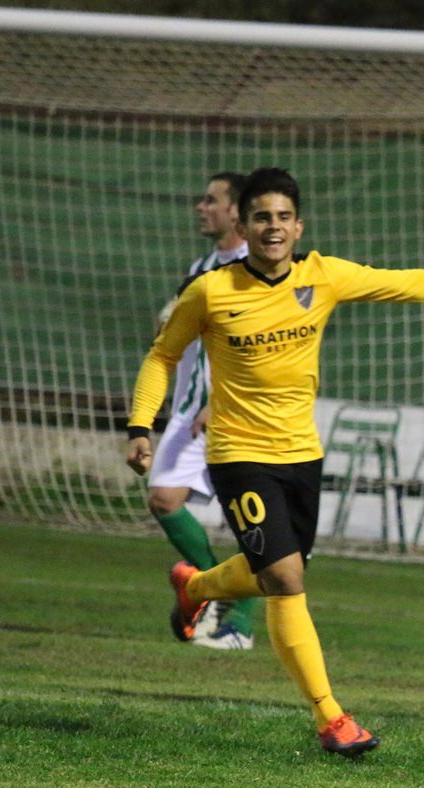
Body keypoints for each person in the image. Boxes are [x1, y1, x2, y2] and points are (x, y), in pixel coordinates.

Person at [125, 166, 424, 757]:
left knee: (279, 566)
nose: (272, 227)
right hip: (238, 453)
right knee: (285, 578)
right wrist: (140, 425)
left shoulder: (323, 276)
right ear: (243, 226)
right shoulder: (212, 291)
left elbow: (408, 282)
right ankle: (331, 718)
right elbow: (161, 356)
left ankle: (197, 587)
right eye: (260, 217)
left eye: (281, 217)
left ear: (298, 226)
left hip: (302, 453)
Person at [146, 171, 256, 650]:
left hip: (233, 413)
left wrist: (221, 399)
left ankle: (241, 624)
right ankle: (209, 592)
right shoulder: (203, 264)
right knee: (163, 498)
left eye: (210, 200)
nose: (200, 207)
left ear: (236, 211)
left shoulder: (255, 268)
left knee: (256, 527)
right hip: (190, 410)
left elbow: (254, 347)